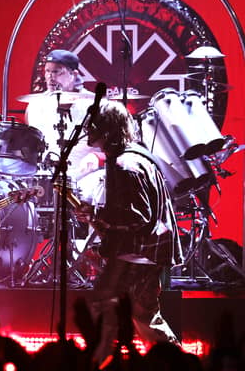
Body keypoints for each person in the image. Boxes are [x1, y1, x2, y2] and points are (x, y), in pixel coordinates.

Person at [75, 99, 183, 364]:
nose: (88, 130)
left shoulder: (125, 165)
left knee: (115, 311)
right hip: (143, 253)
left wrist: (97, 215)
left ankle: (175, 363)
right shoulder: (133, 156)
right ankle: (176, 363)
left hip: (137, 255)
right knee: (136, 315)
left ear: (106, 129)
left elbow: (138, 217)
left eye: (93, 125)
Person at [25, 49, 102, 178]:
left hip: (86, 178)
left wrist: (97, 157)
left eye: (56, 71)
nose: (50, 77)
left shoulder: (95, 105)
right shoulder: (35, 105)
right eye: (47, 71)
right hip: (46, 177)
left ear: (74, 74)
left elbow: (115, 148)